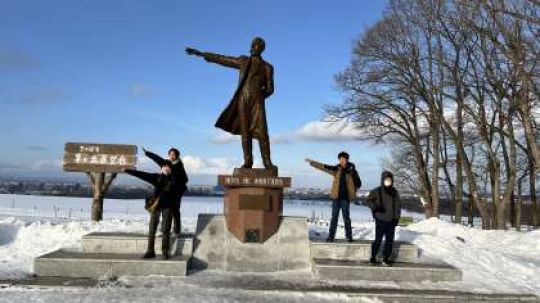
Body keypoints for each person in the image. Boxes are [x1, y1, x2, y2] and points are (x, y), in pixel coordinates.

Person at [186, 37, 277, 171]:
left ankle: (267, 163)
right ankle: (248, 162)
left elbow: (270, 88)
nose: (251, 47)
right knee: (245, 133)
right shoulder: (243, 61)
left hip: (257, 103)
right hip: (242, 101)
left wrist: (260, 96)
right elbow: (223, 59)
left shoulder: (268, 67)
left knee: (263, 133)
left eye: (255, 45)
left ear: (261, 48)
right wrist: (201, 54)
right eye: (251, 44)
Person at [125, 162, 178, 259]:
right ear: (161, 169)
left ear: (171, 169)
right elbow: (142, 175)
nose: (166, 168)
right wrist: (128, 171)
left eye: (168, 167)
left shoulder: (174, 179)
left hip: (168, 207)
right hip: (156, 206)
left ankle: (165, 251)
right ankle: (150, 251)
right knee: (152, 229)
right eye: (164, 167)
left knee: (166, 229)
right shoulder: (156, 177)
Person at [305, 152, 361, 242]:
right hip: (336, 198)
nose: (342, 161)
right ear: (339, 160)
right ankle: (331, 236)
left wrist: (353, 192)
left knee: (346, 217)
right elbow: (324, 167)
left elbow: (358, 183)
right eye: (341, 159)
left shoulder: (352, 171)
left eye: (344, 159)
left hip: (345, 199)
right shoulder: (336, 169)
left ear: (347, 160)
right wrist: (312, 163)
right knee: (334, 217)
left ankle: (349, 236)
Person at [142, 147, 188, 237]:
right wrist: (148, 153)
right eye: (170, 154)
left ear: (177, 156)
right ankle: (164, 229)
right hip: (167, 192)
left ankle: (176, 230)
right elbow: (157, 159)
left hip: (177, 191)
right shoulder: (166, 163)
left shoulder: (179, 166)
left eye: (173, 154)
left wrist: (175, 183)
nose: (172, 156)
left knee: (175, 210)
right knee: (164, 208)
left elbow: (185, 179)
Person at [366, 171, 401, 266]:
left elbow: (398, 205)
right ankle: (373, 257)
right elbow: (368, 200)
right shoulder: (376, 191)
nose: (388, 181)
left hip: (391, 221)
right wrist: (375, 207)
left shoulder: (394, 192)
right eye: (386, 180)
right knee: (378, 240)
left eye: (389, 180)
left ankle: (386, 258)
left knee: (389, 241)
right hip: (380, 220)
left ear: (392, 181)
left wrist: (396, 218)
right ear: (382, 180)